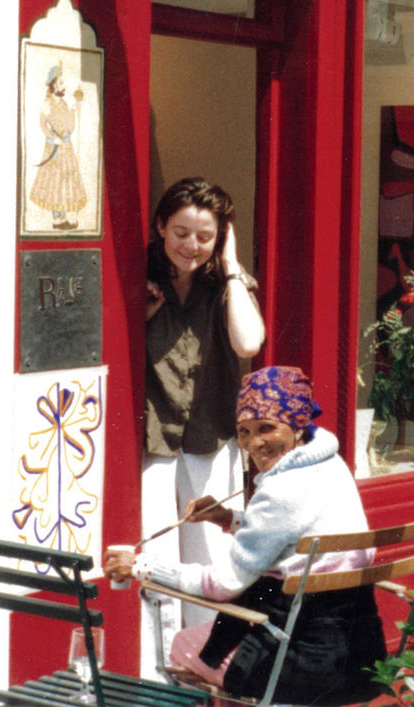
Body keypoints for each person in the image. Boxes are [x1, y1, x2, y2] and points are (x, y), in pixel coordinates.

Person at [108, 367, 386, 705]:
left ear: (298, 424)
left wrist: (141, 566)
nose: (254, 443)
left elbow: (220, 585)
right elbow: (292, 534)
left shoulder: (280, 489)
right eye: (243, 431)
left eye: (266, 428)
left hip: (302, 662)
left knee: (185, 644)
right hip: (361, 653)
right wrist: (229, 519)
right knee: (224, 631)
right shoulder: (331, 465)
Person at [141, 177, 267, 675]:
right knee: (153, 552)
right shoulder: (140, 275)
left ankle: (205, 668)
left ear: (221, 237)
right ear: (160, 228)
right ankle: (156, 673)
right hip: (150, 439)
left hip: (209, 440)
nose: (191, 246)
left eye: (205, 236)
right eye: (180, 232)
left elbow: (248, 343)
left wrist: (232, 268)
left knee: (213, 557)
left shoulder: (225, 284)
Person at [27, 63, 86, 230]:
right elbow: (43, 125)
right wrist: (54, 139)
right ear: (53, 85)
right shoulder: (48, 103)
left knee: (67, 180)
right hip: (55, 147)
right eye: (60, 83)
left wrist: (74, 110)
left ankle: (64, 217)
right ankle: (57, 219)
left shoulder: (64, 104)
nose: (63, 86)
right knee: (55, 181)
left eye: (63, 83)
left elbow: (71, 128)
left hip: (67, 146)